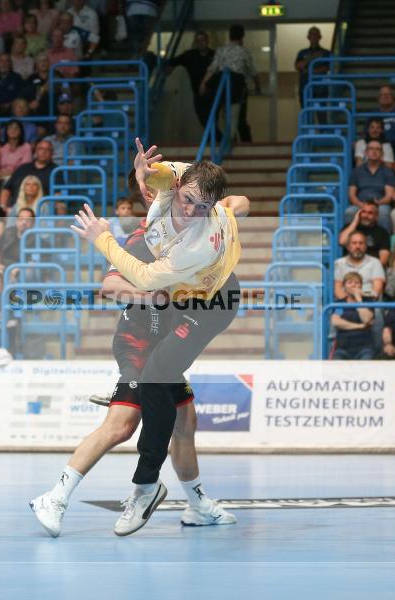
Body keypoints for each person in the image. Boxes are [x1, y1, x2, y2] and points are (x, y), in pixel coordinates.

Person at [67, 138, 242, 536]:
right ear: (181, 185)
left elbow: (144, 277)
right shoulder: (181, 179)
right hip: (183, 296)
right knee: (180, 414)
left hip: (212, 303)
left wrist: (102, 238)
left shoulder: (198, 243)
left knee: (154, 380)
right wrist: (141, 171)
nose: (192, 210)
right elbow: (161, 173)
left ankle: (145, 487)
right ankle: (196, 504)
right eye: (189, 199)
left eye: (203, 207)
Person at [199, 24, 260, 143]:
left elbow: (212, 69)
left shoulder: (221, 50)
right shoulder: (244, 52)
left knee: (225, 113)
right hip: (237, 85)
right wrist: (258, 87)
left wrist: (203, 83)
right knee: (237, 114)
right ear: (242, 37)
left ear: (229, 35)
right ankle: (235, 139)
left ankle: (229, 138)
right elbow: (253, 72)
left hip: (223, 84)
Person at [167, 31, 215, 128]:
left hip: (213, 93)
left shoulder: (215, 55)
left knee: (211, 118)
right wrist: (169, 68)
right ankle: (219, 139)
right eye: (198, 41)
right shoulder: (190, 55)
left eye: (203, 40)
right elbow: (173, 61)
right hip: (198, 94)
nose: (201, 43)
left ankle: (217, 139)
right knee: (202, 118)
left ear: (207, 41)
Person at [346, 141, 395, 231]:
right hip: (360, 204)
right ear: (366, 152)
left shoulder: (388, 172)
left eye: (378, 149)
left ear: (382, 154)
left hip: (380, 204)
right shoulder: (357, 171)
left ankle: (384, 243)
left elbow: (389, 196)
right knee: (349, 212)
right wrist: (361, 205)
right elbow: (351, 195)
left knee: (384, 212)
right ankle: (350, 242)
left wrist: (377, 204)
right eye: (371, 149)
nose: (374, 151)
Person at [331, 272, 375, 360]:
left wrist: (359, 300)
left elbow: (366, 319)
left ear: (361, 286)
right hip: (343, 347)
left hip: (364, 348)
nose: (353, 285)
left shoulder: (368, 302)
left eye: (357, 282)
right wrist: (359, 326)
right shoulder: (339, 304)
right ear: (344, 287)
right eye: (350, 282)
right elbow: (336, 322)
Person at [333, 231, 385, 301]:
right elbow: (337, 290)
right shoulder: (338, 263)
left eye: (361, 243)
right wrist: (350, 302)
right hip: (345, 305)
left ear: (366, 246)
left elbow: (376, 291)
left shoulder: (375, 262)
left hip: (369, 303)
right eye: (354, 243)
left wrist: (360, 299)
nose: (358, 246)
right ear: (348, 247)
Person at [337, 201, 391, 266]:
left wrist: (367, 269)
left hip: (371, 269)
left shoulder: (382, 232)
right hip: (349, 268)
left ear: (376, 216)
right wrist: (355, 220)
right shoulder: (349, 227)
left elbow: (384, 259)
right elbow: (342, 241)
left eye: (370, 213)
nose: (365, 215)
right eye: (363, 212)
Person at [294, 26, 331, 108]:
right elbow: (298, 66)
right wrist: (312, 57)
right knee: (306, 116)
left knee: (321, 115)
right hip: (305, 88)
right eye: (312, 34)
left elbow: (329, 67)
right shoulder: (302, 53)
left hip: (321, 89)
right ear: (308, 37)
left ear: (320, 37)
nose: (314, 37)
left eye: (316, 34)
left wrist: (310, 70)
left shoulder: (326, 53)